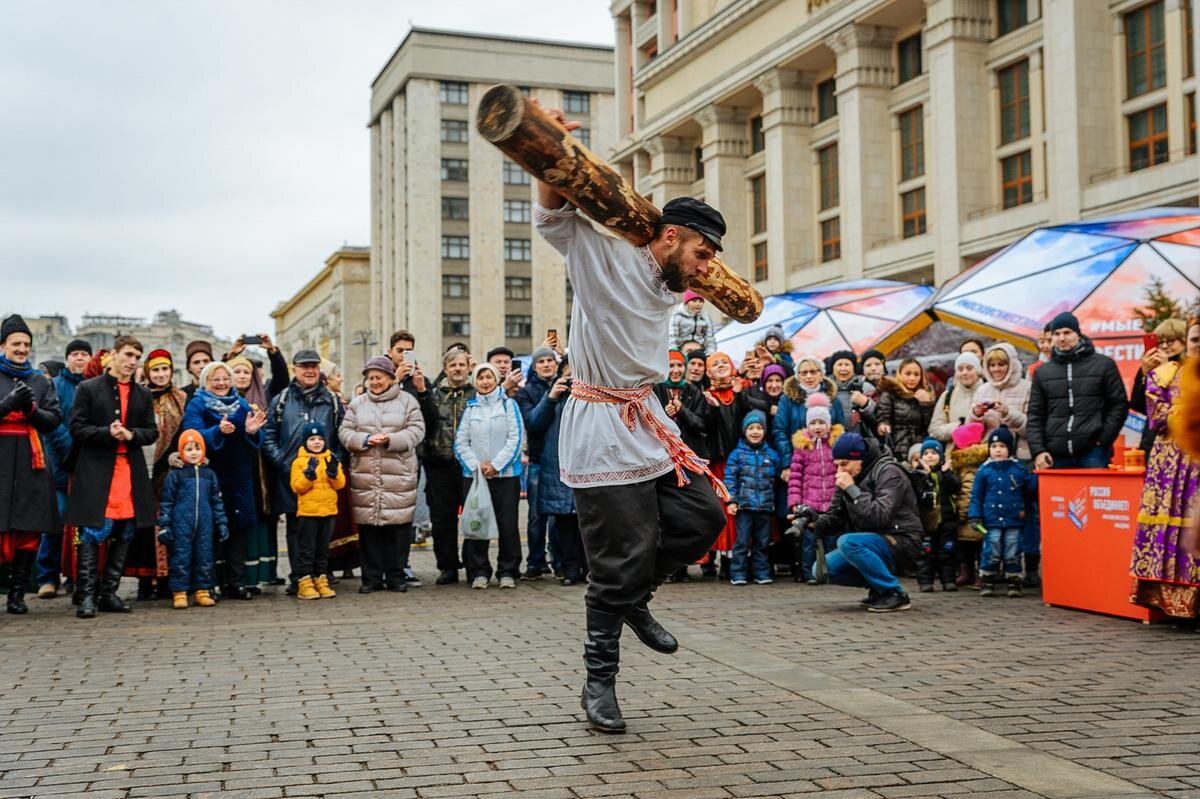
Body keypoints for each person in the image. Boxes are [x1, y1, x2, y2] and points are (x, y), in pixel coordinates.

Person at [534, 105, 729, 733]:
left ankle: (636, 598)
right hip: (598, 419)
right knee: (618, 558)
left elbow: (680, 285)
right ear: (670, 237)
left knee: (703, 513)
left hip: (644, 416)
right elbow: (556, 212)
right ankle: (599, 681)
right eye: (703, 253)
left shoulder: (670, 282)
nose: (706, 268)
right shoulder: (601, 251)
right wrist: (548, 144)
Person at [65, 335, 158, 618]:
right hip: (96, 472)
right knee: (93, 533)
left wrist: (131, 434)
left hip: (129, 472)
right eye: (128, 355)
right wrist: (106, 432)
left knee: (126, 531)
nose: (132, 362)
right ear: (114, 355)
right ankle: (87, 595)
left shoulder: (143, 394)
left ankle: (109, 592)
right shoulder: (89, 388)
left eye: (136, 358)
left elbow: (151, 432)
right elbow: (77, 428)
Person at [1130, 315, 1199, 618]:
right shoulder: (1163, 372)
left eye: (1176, 339)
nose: (1169, 346)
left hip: (1193, 458)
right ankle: (1173, 604)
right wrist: (1146, 375)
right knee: (1172, 529)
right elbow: (1152, 416)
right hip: (1169, 460)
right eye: (1164, 341)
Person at [805, 432, 920, 612]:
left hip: (902, 539)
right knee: (821, 569)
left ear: (860, 458)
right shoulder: (848, 477)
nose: (840, 471)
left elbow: (881, 515)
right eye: (837, 465)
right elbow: (836, 518)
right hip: (872, 541)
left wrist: (852, 490)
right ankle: (878, 587)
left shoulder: (889, 472)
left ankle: (894, 593)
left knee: (848, 542)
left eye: (845, 464)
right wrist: (814, 520)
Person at [339, 355, 425, 593]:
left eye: (379, 377)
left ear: (390, 378)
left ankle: (396, 577)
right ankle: (371, 578)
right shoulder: (357, 404)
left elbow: (417, 431)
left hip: (398, 474)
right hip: (366, 475)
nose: (374, 382)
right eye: (370, 378)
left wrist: (390, 440)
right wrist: (364, 440)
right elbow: (345, 432)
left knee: (397, 531)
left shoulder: (407, 401)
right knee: (369, 530)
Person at [263, 349, 345, 595]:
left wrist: (333, 463)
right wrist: (284, 464)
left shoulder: (332, 400)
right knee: (295, 530)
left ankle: (319, 575)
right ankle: (299, 577)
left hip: (323, 483)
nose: (309, 370)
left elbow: (341, 437)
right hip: (292, 477)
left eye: (313, 366)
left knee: (320, 531)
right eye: (303, 366)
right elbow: (268, 437)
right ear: (294, 369)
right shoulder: (282, 400)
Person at [0, 315, 63, 614]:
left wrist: (31, 409)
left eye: (26, 344)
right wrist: (6, 406)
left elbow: (53, 420)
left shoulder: (39, 380)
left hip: (30, 460)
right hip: (0, 457)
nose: (22, 348)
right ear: (3, 345)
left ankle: (17, 595)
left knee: (27, 529)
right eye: (16, 343)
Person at [970, 341, 1037, 584]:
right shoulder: (982, 389)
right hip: (992, 459)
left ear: (1012, 364)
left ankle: (1028, 566)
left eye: (1002, 364)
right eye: (993, 365)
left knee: (1027, 514)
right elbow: (972, 430)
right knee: (992, 512)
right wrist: (976, 414)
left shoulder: (1027, 387)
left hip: (1022, 456)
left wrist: (1008, 414)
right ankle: (993, 567)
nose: (997, 369)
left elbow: (1033, 426)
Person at [1027, 312, 1129, 470]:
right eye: (1057, 334)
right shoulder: (1043, 372)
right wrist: (1038, 450)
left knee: (1095, 494)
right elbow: (1035, 414)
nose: (1062, 338)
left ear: (1078, 334)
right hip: (1055, 455)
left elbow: (1118, 405)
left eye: (1067, 332)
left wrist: (1103, 440)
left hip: (1093, 453)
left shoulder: (1103, 365)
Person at [454, 363, 524, 589]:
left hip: (506, 477)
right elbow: (461, 442)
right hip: (475, 477)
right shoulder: (471, 409)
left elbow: (516, 438)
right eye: (480, 378)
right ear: (475, 382)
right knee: (477, 522)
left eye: (489, 377)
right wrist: (477, 466)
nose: (485, 381)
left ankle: (508, 571)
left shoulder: (508, 405)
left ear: (496, 379)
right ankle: (478, 571)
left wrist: (496, 465)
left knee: (508, 525)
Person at [128, 348, 186, 599]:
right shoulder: (137, 396)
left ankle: (166, 580)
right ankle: (144, 579)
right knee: (143, 527)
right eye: (156, 370)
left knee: (168, 525)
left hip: (169, 469)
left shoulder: (181, 398)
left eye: (165, 369)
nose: (161, 375)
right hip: (141, 466)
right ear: (148, 372)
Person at [524, 356, 588, 586]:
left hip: (585, 466)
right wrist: (550, 396)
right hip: (557, 468)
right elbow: (533, 423)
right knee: (563, 523)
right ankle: (570, 569)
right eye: (567, 375)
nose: (572, 380)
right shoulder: (554, 398)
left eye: (576, 374)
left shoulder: (591, 399)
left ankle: (589, 569)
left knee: (586, 523)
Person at [35, 338, 91, 599]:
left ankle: (75, 574)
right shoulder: (55, 386)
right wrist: (72, 449)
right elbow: (52, 424)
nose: (80, 358)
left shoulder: (94, 386)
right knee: (55, 522)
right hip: (59, 467)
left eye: (84, 354)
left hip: (89, 469)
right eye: (75, 354)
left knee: (82, 526)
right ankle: (47, 576)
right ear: (68, 358)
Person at [156, 429, 228, 609]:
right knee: (181, 558)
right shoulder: (175, 475)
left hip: (204, 524)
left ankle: (202, 590)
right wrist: (165, 524)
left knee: (204, 557)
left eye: (197, 448)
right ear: (181, 452)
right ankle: (180, 592)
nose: (194, 453)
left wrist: (221, 522)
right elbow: (166, 501)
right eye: (188, 449)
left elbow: (216, 500)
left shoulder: (209, 474)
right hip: (181, 525)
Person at [225, 353, 279, 591]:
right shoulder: (222, 399)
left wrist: (273, 353)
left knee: (258, 519)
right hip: (233, 467)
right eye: (236, 371)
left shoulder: (263, 397)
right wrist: (229, 356)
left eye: (246, 372)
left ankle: (256, 576)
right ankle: (232, 578)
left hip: (261, 469)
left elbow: (280, 380)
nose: (242, 376)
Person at [422, 348, 475, 585]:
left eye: (462, 365)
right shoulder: (433, 395)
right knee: (442, 520)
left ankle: (475, 565)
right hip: (438, 463)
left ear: (469, 367)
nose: (457, 369)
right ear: (445, 369)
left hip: (469, 467)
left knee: (474, 516)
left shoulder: (477, 394)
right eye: (452, 365)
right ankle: (448, 567)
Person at [968, 426, 1035, 598]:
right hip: (991, 519)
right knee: (992, 548)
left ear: (1010, 449)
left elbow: (1030, 489)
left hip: (1014, 517)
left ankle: (1014, 578)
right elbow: (976, 496)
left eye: (1002, 446)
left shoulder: (1018, 469)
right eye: (994, 446)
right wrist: (975, 516)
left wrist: (1037, 475)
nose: (998, 450)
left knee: (1013, 549)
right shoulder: (984, 471)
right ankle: (988, 577)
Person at [786, 394, 843, 584]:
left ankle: (830, 572)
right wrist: (795, 502)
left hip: (831, 504)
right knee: (809, 542)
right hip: (810, 503)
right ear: (808, 425)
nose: (817, 427)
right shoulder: (802, 447)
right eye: (813, 423)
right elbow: (795, 476)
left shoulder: (835, 445)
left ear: (828, 424)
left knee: (831, 541)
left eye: (821, 422)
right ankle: (808, 572)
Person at [516, 345, 562, 580]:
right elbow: (533, 422)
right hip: (537, 461)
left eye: (550, 360)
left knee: (558, 518)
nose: (546, 364)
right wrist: (550, 397)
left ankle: (559, 561)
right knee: (536, 517)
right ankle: (534, 562)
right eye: (541, 361)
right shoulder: (526, 393)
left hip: (560, 463)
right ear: (534, 367)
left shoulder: (566, 387)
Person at [723, 410, 781, 586]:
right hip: (745, 506)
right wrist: (731, 500)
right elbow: (730, 478)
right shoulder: (737, 454)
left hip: (764, 506)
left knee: (762, 542)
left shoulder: (771, 455)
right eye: (751, 428)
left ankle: (761, 572)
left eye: (759, 428)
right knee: (741, 542)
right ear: (744, 431)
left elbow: (776, 478)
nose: (755, 432)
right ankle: (738, 573)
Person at [289, 422, 345, 600]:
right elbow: (297, 487)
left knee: (323, 550)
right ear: (305, 442)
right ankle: (304, 582)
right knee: (307, 550)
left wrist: (333, 472)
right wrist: (308, 476)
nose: (316, 442)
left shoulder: (331, 457)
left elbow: (340, 484)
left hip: (328, 511)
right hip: (308, 513)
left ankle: (321, 580)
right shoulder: (299, 462)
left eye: (320, 438)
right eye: (312, 439)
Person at [772, 355, 845, 467]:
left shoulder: (833, 399)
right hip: (798, 461)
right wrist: (788, 464)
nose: (809, 376)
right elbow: (780, 431)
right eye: (804, 373)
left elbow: (841, 428)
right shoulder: (787, 400)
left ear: (821, 374)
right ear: (798, 376)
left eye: (813, 372)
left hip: (828, 462)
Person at [1131, 319, 1188, 455]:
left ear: (1184, 341)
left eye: (1170, 341)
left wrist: (1164, 370)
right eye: (1160, 342)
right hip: (1153, 440)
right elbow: (1138, 405)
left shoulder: (1189, 367)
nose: (1164, 346)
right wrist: (1145, 376)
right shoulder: (1149, 366)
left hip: (1182, 441)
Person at [912, 438, 961, 592]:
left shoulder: (946, 473)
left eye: (933, 452)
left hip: (947, 521)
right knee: (926, 554)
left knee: (947, 553)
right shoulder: (917, 474)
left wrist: (946, 473)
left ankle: (948, 580)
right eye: (926, 453)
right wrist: (925, 474)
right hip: (926, 523)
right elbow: (917, 492)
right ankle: (926, 582)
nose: (930, 456)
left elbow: (956, 487)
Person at [949, 421, 988, 588]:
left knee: (972, 548)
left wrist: (962, 514)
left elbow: (967, 493)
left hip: (970, 518)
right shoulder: (970, 465)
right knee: (971, 548)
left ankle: (974, 574)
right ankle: (970, 573)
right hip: (975, 516)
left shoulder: (968, 467)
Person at [876, 358, 935, 457]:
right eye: (908, 374)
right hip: (896, 447)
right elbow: (883, 417)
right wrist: (883, 425)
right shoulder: (890, 393)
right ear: (900, 374)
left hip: (920, 449)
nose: (912, 378)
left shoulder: (926, 394)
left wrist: (926, 404)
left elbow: (930, 426)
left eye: (916, 374)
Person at [929, 352, 985, 448]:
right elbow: (934, 430)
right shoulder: (948, 395)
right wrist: (959, 427)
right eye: (960, 369)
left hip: (984, 455)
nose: (964, 372)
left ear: (978, 371)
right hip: (954, 456)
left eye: (969, 368)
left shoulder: (988, 393)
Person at [828, 351, 876, 437]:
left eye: (847, 364)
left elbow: (879, 417)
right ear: (833, 367)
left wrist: (865, 403)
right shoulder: (825, 388)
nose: (843, 368)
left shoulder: (865, 386)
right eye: (839, 364)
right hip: (831, 439)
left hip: (860, 438)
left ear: (854, 367)